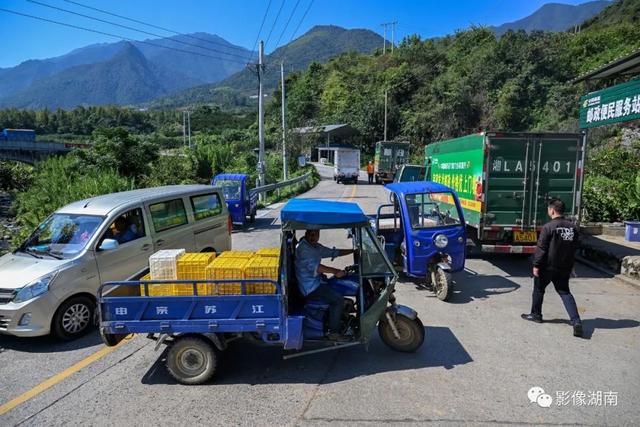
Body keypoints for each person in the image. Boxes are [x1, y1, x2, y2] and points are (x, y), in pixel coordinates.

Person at [521, 198, 583, 337]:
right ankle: (576, 321)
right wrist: (572, 265)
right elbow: (574, 248)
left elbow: (541, 248)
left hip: (547, 267)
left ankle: (536, 314)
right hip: (564, 266)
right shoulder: (573, 228)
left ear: (552, 210)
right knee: (565, 292)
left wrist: (536, 265)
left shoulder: (548, 227)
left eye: (549, 209)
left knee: (538, 289)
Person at [295, 229, 355, 341]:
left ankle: (341, 318)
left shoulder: (314, 246)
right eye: (311, 234)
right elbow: (316, 267)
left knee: (336, 285)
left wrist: (353, 251)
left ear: (319, 234)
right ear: (306, 233)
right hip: (310, 287)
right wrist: (336, 271)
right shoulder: (303, 248)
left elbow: (331, 252)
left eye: (315, 234)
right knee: (337, 300)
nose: (313, 236)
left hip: (316, 281)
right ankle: (334, 333)